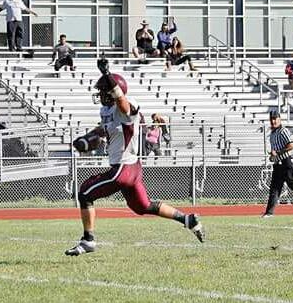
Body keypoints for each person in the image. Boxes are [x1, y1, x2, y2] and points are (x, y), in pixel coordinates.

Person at [65, 57, 205, 256]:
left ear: (111, 92)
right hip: (132, 168)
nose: (100, 95)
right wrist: (87, 139)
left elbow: (122, 104)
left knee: (85, 192)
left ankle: (88, 240)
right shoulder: (107, 111)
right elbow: (104, 131)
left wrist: (107, 75)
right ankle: (188, 220)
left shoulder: (127, 106)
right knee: (143, 206)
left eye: (103, 91)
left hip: (124, 167)